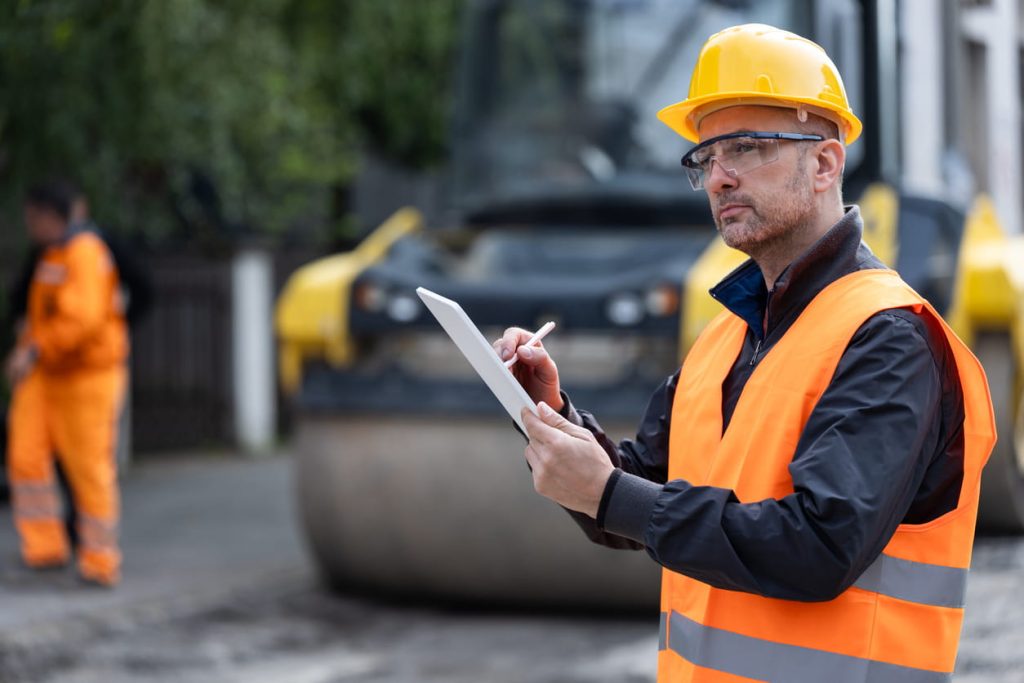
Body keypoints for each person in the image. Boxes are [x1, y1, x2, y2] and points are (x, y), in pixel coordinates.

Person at [495, 24, 995, 682]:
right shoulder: (724, 339)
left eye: (748, 148)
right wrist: (546, 408)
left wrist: (612, 493)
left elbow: (818, 546)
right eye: (706, 158)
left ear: (824, 163)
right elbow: (627, 506)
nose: (719, 177)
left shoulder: (890, 337)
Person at [5, 179, 129, 587]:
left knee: (88, 467)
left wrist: (34, 350)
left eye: (32, 218)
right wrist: (29, 348)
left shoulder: (85, 253)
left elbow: (82, 320)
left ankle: (99, 561)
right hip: (49, 373)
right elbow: (41, 314)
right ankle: (44, 548)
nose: (28, 226)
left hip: (87, 376)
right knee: (25, 454)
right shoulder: (52, 254)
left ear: (49, 216)